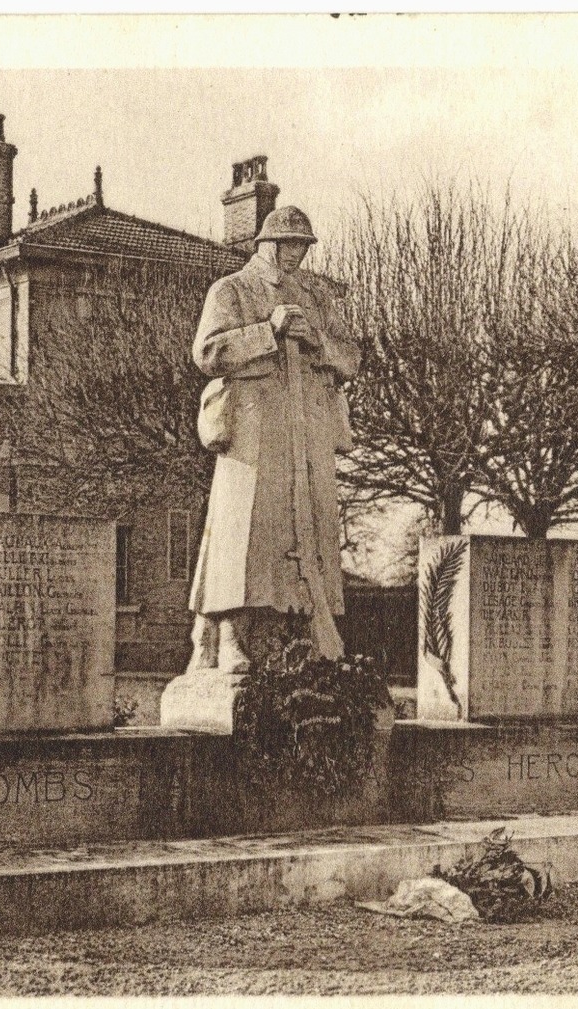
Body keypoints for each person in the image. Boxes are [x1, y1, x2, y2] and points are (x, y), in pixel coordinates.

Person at [185, 205, 360, 673]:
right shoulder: (231, 290)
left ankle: (302, 633)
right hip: (252, 427)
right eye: (289, 245)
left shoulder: (318, 299)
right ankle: (231, 633)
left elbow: (352, 357)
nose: (296, 255)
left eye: (303, 246)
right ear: (267, 244)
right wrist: (268, 331)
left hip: (308, 427)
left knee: (310, 525)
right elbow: (208, 352)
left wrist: (318, 341)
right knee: (245, 529)